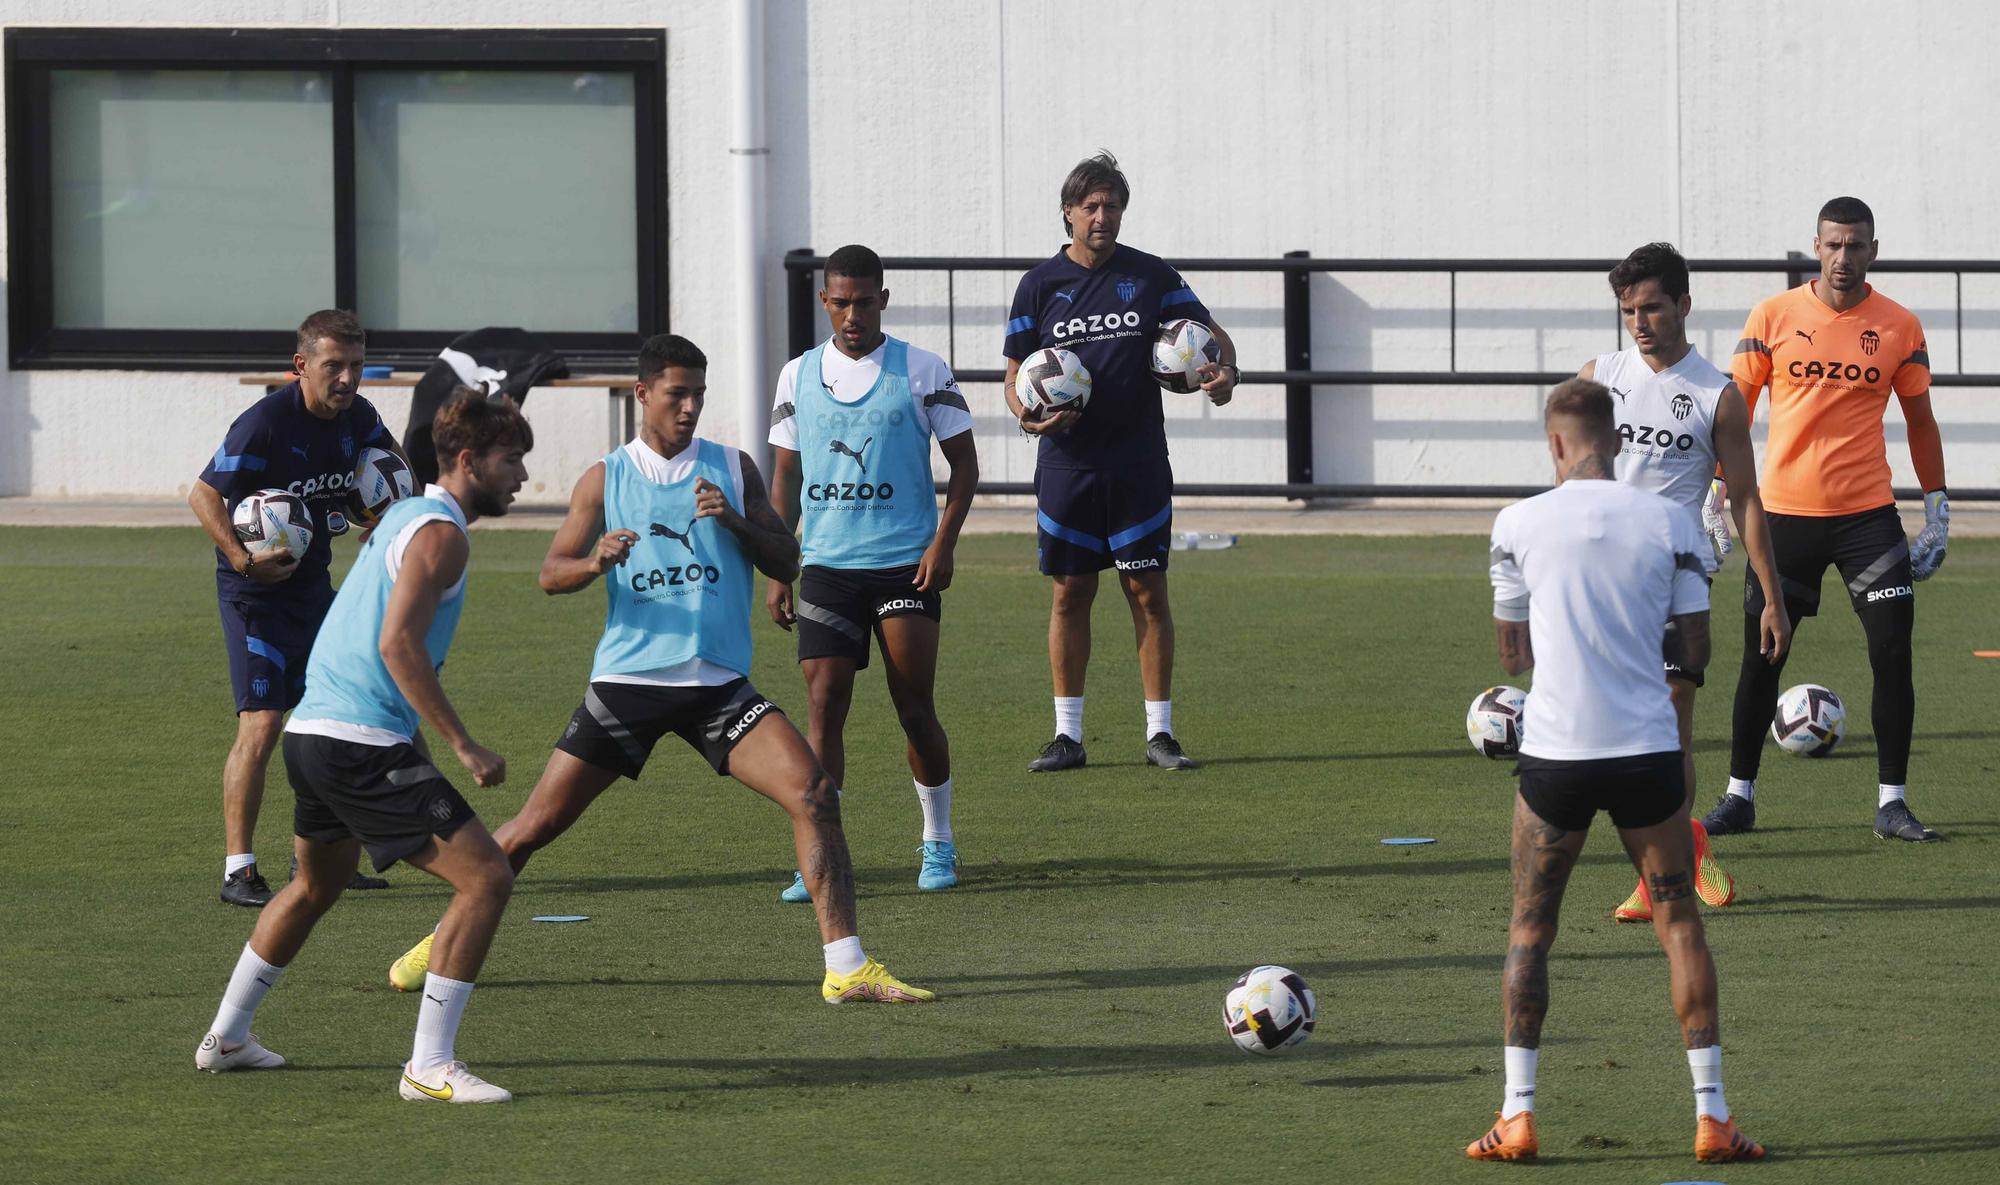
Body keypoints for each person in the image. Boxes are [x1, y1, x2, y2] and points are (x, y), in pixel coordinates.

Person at [387, 334, 932, 1004]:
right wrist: (596, 562)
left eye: (699, 393)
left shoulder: (733, 468)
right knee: (535, 825)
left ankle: (846, 965)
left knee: (814, 791)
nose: (690, 406)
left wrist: (734, 520)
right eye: (677, 393)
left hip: (719, 689)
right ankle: (436, 941)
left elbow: (787, 560)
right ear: (643, 393)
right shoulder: (606, 477)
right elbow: (551, 573)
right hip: (629, 685)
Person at [195, 392, 531, 1104]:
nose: (523, 476)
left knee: (315, 886)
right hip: (358, 743)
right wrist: (462, 743)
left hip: (313, 733)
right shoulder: (440, 532)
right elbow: (396, 642)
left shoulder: (403, 515)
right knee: (487, 877)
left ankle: (226, 1036)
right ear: (469, 460)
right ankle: (429, 1066)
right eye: (512, 460)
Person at [1468, 379, 1762, 1163]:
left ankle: (1517, 1115)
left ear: (1555, 444)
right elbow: (1694, 651)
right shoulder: (1671, 522)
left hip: (1556, 757)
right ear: (1619, 440)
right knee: (1679, 924)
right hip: (1646, 753)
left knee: (1531, 929)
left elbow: (1511, 655)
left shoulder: (1516, 522)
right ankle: (1713, 1117)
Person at [1704, 197, 1950, 842]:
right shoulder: (1773, 316)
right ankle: (1739, 797)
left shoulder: (1900, 326)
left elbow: (1920, 419)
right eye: (1834, 244)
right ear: (1817, 245)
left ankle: (1892, 804)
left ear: (1874, 250)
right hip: (1783, 517)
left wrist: (1937, 503)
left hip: (1868, 517)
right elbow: (1737, 410)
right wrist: (1720, 487)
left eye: (1857, 245)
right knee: (1764, 657)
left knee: (1893, 652)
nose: (1845, 257)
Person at [1577, 242, 1791, 923]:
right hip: (1604, 585)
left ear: (1684, 306)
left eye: (1653, 308)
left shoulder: (1716, 395)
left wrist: (1772, 597)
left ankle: (1663, 874)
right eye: (1628, 310)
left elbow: (1747, 499)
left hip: (1677, 583)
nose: (1640, 322)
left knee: (1670, 727)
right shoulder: (1596, 377)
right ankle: (1682, 845)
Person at [1002, 151, 1237, 773]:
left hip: (1137, 464)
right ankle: (1067, 736)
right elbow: (1014, 378)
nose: (1104, 216)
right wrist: (1029, 418)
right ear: (1069, 213)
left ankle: (1160, 733)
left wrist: (1224, 374)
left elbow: (1212, 337)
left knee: (1147, 592)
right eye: (1092, 206)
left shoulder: (1153, 276)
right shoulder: (1038, 285)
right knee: (1070, 594)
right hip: (1067, 467)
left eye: (1113, 206)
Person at [766, 244, 980, 900]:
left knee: (914, 708)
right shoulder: (796, 375)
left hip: (903, 567)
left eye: (864, 300)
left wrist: (942, 545)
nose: (852, 313)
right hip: (828, 566)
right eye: (841, 301)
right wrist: (778, 564)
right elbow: (785, 476)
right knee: (823, 705)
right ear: (824, 301)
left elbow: (965, 467)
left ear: (882, 299)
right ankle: (822, 849)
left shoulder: (922, 368)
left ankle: (938, 841)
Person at [189, 309, 406, 906]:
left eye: (356, 366)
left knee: (333, 719)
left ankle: (317, 856)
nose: (347, 378)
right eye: (333, 365)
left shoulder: (360, 418)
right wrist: (242, 559)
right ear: (301, 366)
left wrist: (385, 516)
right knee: (262, 727)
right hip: (254, 596)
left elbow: (396, 469)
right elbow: (203, 495)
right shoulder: (264, 423)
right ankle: (238, 871)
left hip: (314, 593)